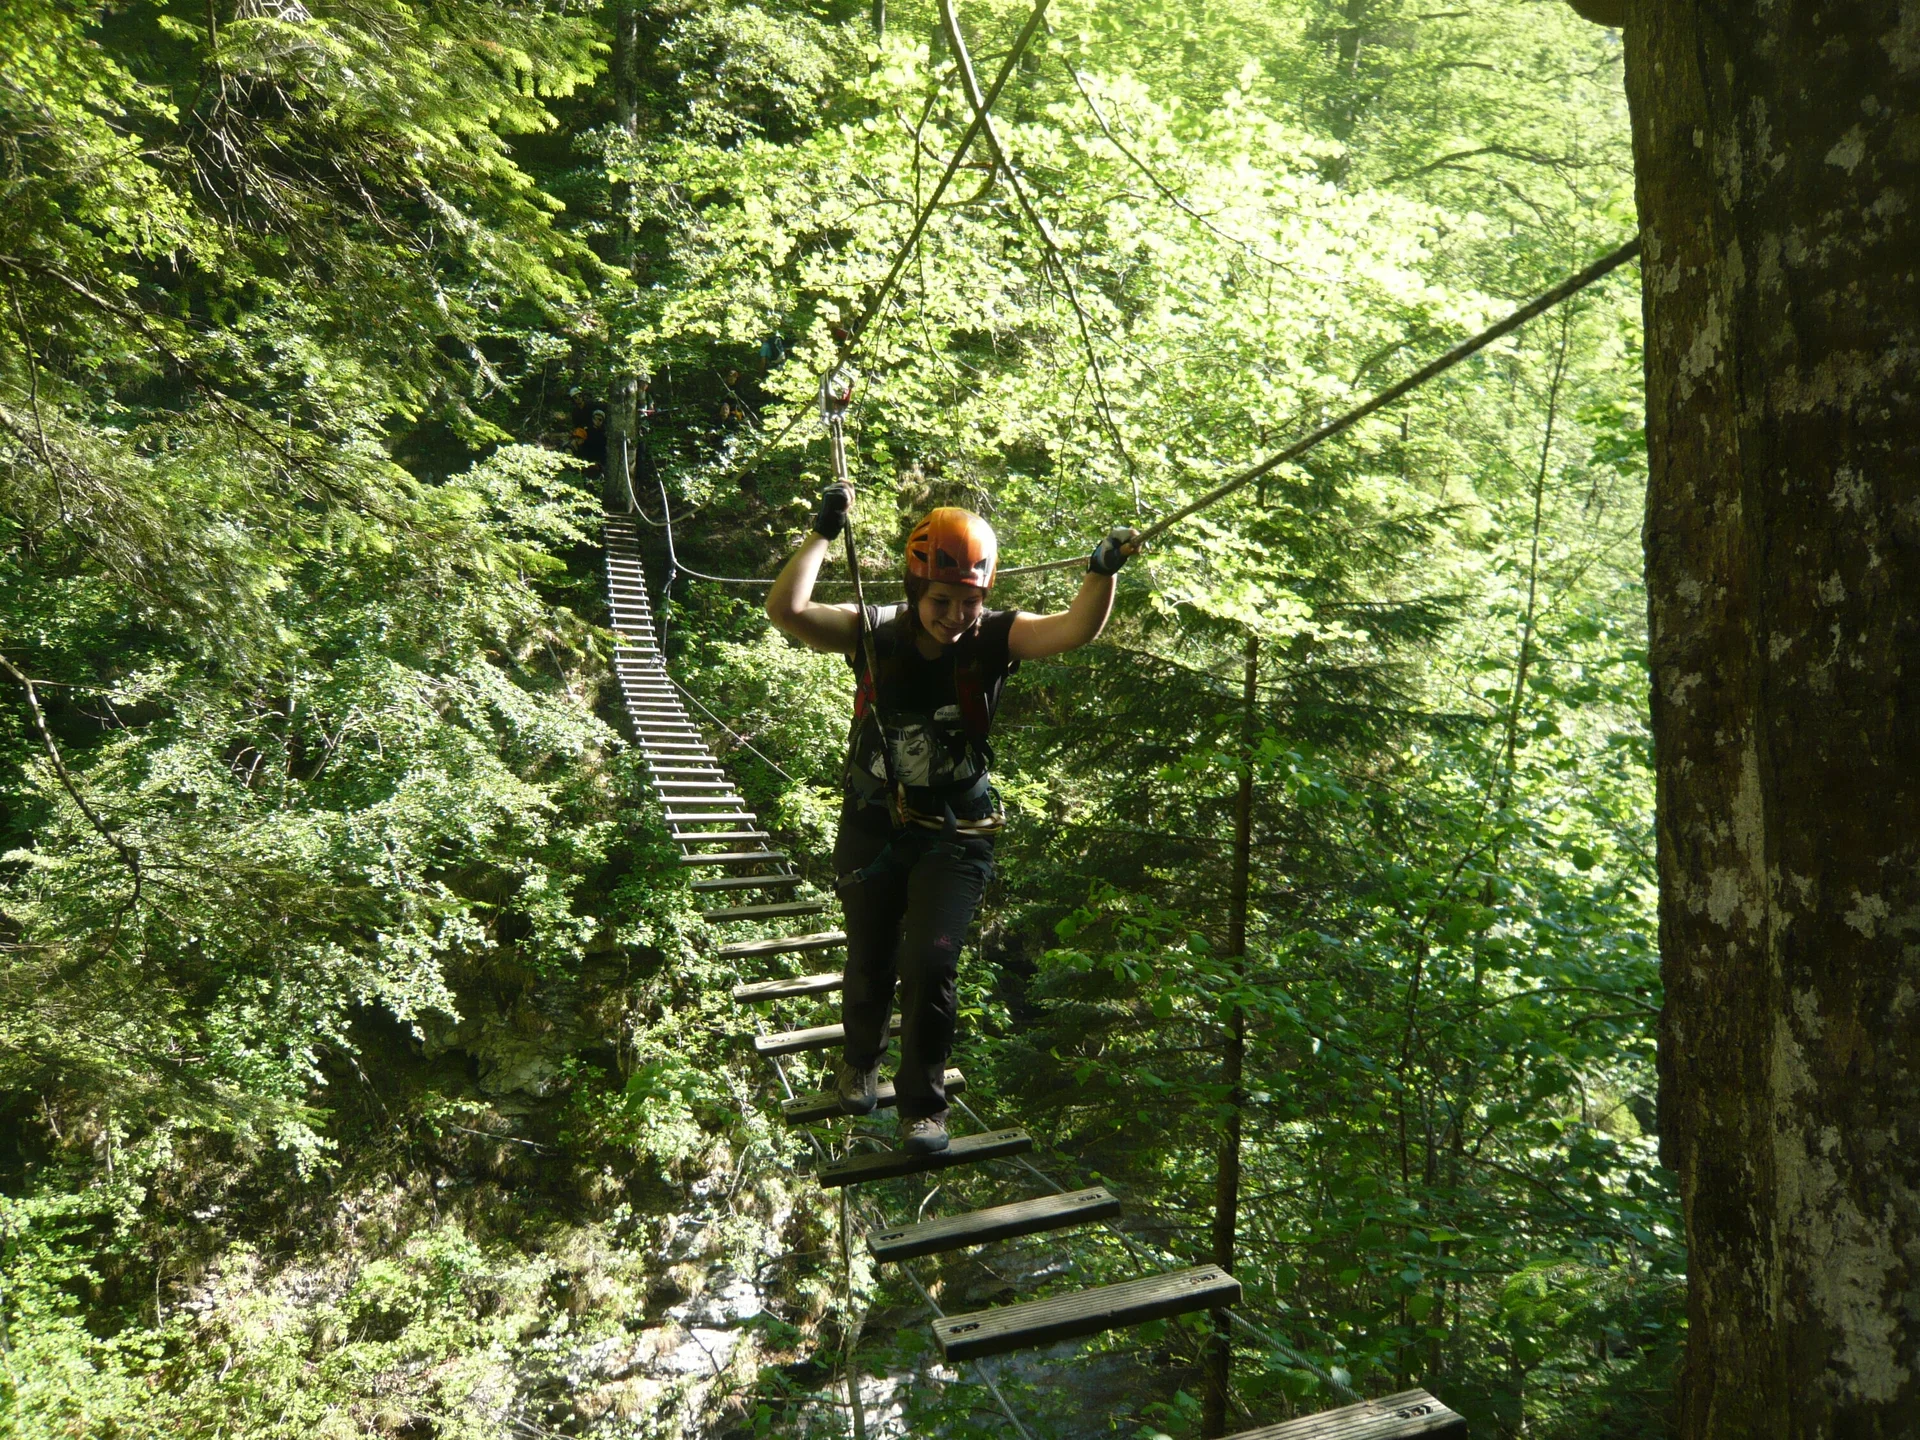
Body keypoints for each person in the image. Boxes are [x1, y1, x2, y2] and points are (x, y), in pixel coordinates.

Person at [766, 487, 1141, 1153]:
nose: (956, 615)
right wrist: (822, 533)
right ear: (917, 590)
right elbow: (787, 610)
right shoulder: (873, 631)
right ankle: (860, 1060)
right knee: (871, 956)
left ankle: (923, 1109)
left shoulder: (995, 639)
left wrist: (1100, 572)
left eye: (970, 601)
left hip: (957, 831)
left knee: (932, 963)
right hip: (874, 823)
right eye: (942, 601)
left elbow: (1075, 628)